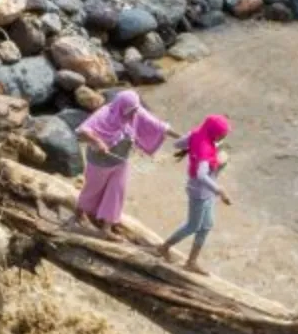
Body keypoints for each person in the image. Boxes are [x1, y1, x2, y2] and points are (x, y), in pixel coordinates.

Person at [76, 88, 173, 232]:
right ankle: (80, 213)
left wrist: (187, 138)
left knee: (116, 192)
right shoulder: (104, 115)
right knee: (92, 190)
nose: (135, 113)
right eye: (131, 110)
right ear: (121, 106)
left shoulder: (135, 112)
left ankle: (106, 227)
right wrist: (98, 142)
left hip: (121, 161)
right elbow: (82, 131)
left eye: (135, 109)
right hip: (100, 162)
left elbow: (158, 125)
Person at [156, 115, 231, 273]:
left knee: (207, 225)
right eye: (222, 134)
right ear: (214, 132)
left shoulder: (197, 134)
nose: (224, 137)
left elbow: (177, 144)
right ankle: (164, 247)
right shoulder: (205, 147)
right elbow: (201, 174)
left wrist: (192, 146)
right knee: (192, 226)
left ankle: (192, 261)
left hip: (205, 191)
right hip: (199, 192)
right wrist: (220, 191)